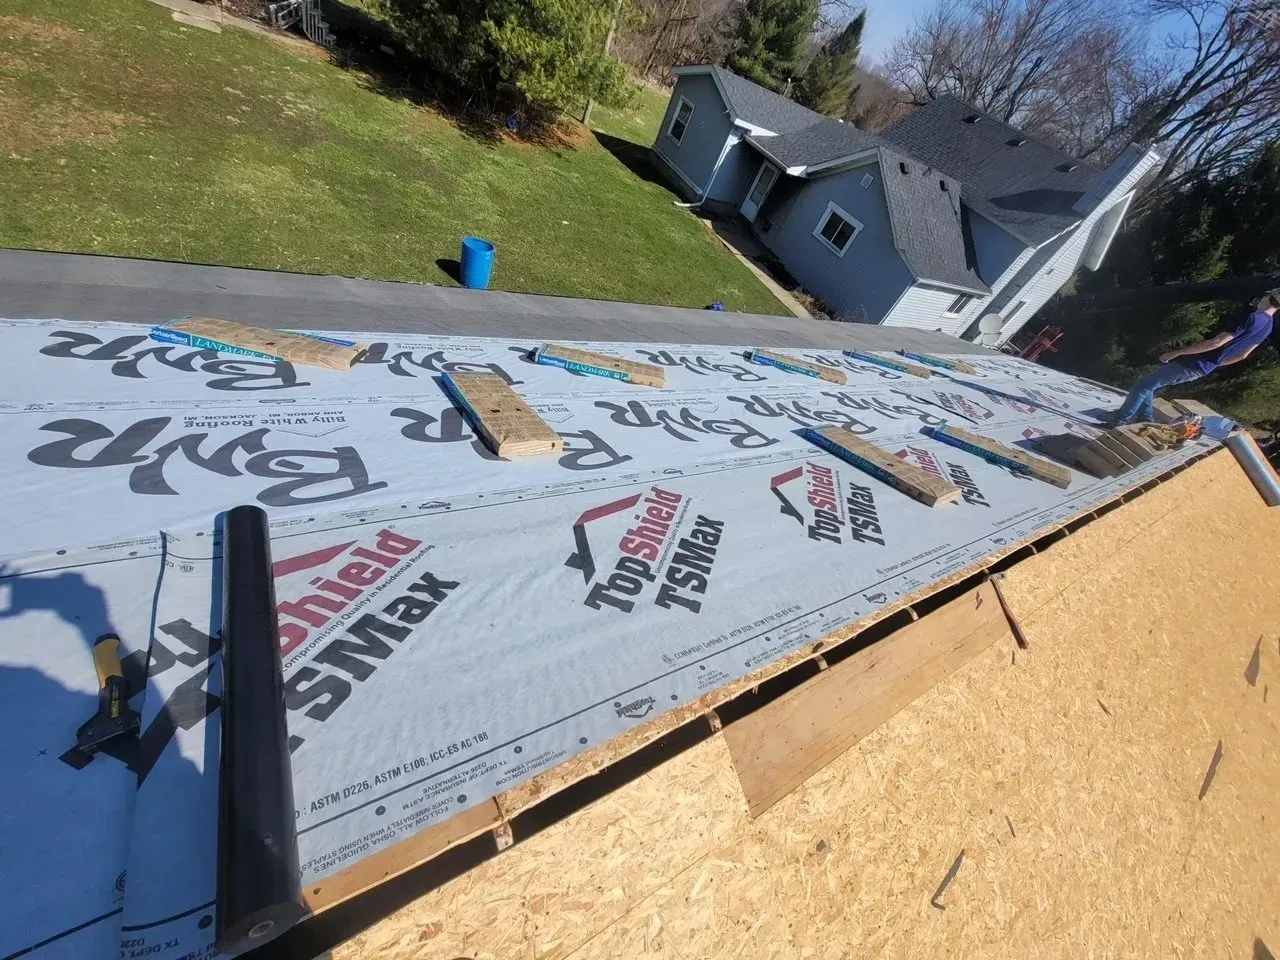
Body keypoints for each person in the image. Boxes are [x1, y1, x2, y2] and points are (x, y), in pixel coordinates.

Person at [1111, 290, 1278, 424]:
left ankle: (1119, 422)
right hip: (1205, 367)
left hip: (1194, 362)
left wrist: (1177, 352)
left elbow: (1217, 342)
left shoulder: (1251, 318)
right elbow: (1243, 355)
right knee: (1149, 383)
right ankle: (1146, 420)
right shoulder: (1268, 327)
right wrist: (1217, 363)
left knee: (1144, 385)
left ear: (1268, 297)